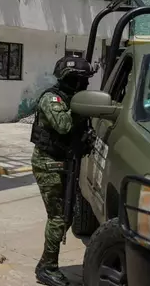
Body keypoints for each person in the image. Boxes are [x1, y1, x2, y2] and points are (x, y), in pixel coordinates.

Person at [31, 56, 95, 286]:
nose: (86, 85)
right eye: (82, 81)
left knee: (66, 216)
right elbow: (64, 125)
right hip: (48, 163)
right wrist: (81, 107)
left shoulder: (71, 99)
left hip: (65, 163)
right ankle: (47, 267)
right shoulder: (52, 99)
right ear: (72, 80)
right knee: (58, 218)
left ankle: (46, 262)